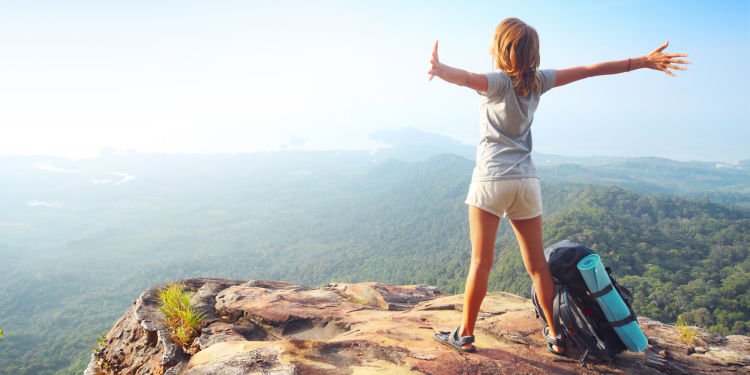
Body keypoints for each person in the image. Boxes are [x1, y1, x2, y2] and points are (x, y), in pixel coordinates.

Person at [429, 17, 689, 355]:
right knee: (538, 265)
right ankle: (556, 335)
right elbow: (588, 69)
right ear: (532, 53)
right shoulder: (539, 81)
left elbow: (465, 78)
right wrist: (641, 62)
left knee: (481, 262)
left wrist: (440, 68)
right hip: (526, 182)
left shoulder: (495, 82)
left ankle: (464, 334)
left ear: (501, 49)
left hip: (491, 179)